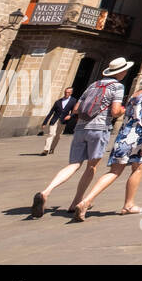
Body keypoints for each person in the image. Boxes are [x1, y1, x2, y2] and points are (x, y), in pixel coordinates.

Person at [31, 58, 133, 218]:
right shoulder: (118, 87)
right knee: (91, 167)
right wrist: (123, 110)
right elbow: (114, 111)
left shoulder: (93, 85)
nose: (126, 72)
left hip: (80, 128)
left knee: (74, 164)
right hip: (99, 129)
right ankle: (78, 202)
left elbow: (77, 109)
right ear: (119, 72)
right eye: (124, 70)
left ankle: (46, 191)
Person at [73, 67, 142, 221]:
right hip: (138, 136)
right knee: (137, 169)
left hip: (123, 135)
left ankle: (86, 200)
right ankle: (128, 205)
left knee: (114, 171)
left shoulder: (134, 95)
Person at [40, 87, 76, 156]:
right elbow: (51, 112)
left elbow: (74, 111)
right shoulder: (58, 102)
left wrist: (70, 116)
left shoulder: (73, 101)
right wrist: (44, 122)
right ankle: (45, 150)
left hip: (63, 121)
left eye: (68, 92)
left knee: (57, 136)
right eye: (65, 92)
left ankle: (52, 148)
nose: (66, 93)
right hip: (54, 120)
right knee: (51, 134)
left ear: (71, 93)